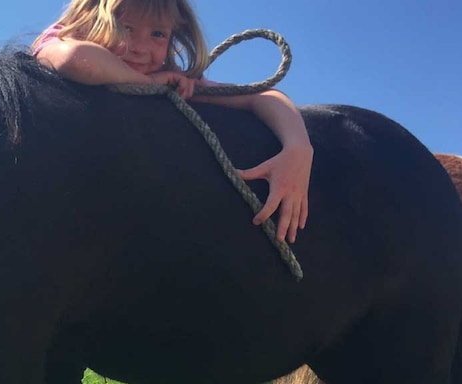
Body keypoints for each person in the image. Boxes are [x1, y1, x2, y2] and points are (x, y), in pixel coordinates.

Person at [32, 0, 313, 247]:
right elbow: (75, 59)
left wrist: (298, 148)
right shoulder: (63, 38)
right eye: (126, 27)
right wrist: (148, 84)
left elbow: (263, 97)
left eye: (158, 34)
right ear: (91, 20)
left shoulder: (173, 80)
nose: (140, 48)